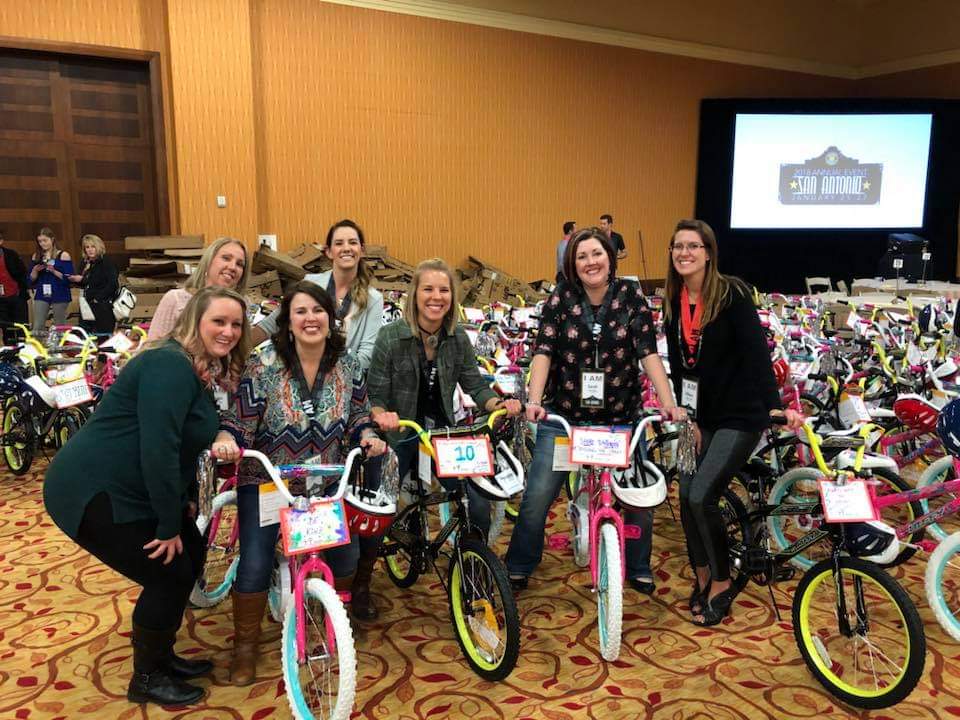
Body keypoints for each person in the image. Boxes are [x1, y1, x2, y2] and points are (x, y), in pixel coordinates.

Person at [43, 286, 250, 707]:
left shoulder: (192, 368)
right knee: (169, 569)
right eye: (219, 321)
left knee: (190, 552)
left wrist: (184, 500)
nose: (228, 331)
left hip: (128, 482)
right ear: (195, 320)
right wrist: (167, 523)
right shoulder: (169, 365)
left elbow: (184, 445)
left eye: (236, 324)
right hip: (92, 487)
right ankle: (147, 676)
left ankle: (163, 655)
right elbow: (159, 447)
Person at [213, 281, 388, 685]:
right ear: (288, 322)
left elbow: (360, 413)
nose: (311, 319)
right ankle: (245, 647)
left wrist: (367, 435)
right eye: (301, 312)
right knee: (255, 562)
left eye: (318, 311)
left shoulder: (347, 364)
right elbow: (238, 422)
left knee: (345, 557)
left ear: (331, 318)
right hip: (270, 481)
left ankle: (333, 618)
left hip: (326, 481)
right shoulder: (264, 362)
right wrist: (227, 442)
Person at [505, 228, 683, 593]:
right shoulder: (561, 297)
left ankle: (637, 565)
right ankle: (521, 562)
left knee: (638, 495)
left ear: (610, 258)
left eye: (596, 254)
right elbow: (544, 352)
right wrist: (534, 402)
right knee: (538, 494)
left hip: (621, 418)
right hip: (565, 419)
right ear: (573, 263)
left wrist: (668, 403)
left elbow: (648, 353)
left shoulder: (631, 295)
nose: (591, 262)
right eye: (582, 256)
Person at [663, 219, 802, 626]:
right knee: (685, 496)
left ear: (708, 252)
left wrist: (773, 405)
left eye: (692, 246)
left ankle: (723, 581)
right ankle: (702, 574)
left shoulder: (732, 293)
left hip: (739, 416)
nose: (684, 253)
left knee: (702, 496)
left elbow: (758, 355)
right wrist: (686, 417)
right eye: (677, 247)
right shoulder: (674, 301)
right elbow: (678, 365)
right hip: (698, 417)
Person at [368, 258, 522, 538]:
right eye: (428, 289)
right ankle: (365, 572)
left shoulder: (457, 337)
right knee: (379, 507)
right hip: (401, 432)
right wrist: (382, 415)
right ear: (415, 294)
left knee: (475, 502)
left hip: (443, 433)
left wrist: (499, 404)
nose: (436, 297)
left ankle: (473, 564)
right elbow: (375, 395)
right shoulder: (390, 337)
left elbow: (475, 386)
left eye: (444, 290)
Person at [252, 219, 383, 371]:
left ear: (362, 250)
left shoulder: (373, 299)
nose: (346, 248)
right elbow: (272, 323)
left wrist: (335, 379)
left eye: (353, 242)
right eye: (339, 243)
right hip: (300, 372)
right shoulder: (310, 283)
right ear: (328, 251)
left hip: (343, 381)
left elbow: (366, 356)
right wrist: (237, 352)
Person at [147, 236, 250, 341]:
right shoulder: (176, 300)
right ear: (209, 261)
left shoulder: (242, 305)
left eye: (239, 264)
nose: (232, 267)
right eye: (226, 258)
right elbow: (152, 349)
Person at [68, 234, 119, 334]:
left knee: (103, 337)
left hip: (102, 306)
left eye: (93, 246)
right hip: (87, 304)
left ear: (98, 247)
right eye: (87, 247)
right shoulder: (88, 263)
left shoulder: (106, 262)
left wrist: (98, 299)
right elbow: (90, 282)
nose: (90, 250)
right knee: (85, 334)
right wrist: (79, 280)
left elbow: (113, 284)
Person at [28, 226, 74, 334]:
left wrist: (54, 271)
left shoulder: (63, 255)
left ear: (52, 239)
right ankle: (37, 347)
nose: (42, 244)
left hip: (59, 293)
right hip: (42, 293)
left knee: (59, 325)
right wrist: (35, 270)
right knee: (38, 325)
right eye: (40, 241)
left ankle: (59, 348)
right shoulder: (36, 256)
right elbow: (31, 280)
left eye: (45, 240)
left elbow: (69, 279)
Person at [0, 230, 29, 329]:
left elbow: (23, 273)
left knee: (21, 328)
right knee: (7, 330)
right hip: (1, 301)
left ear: (1, 241)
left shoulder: (12, 255)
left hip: (17, 296)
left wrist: (23, 291)